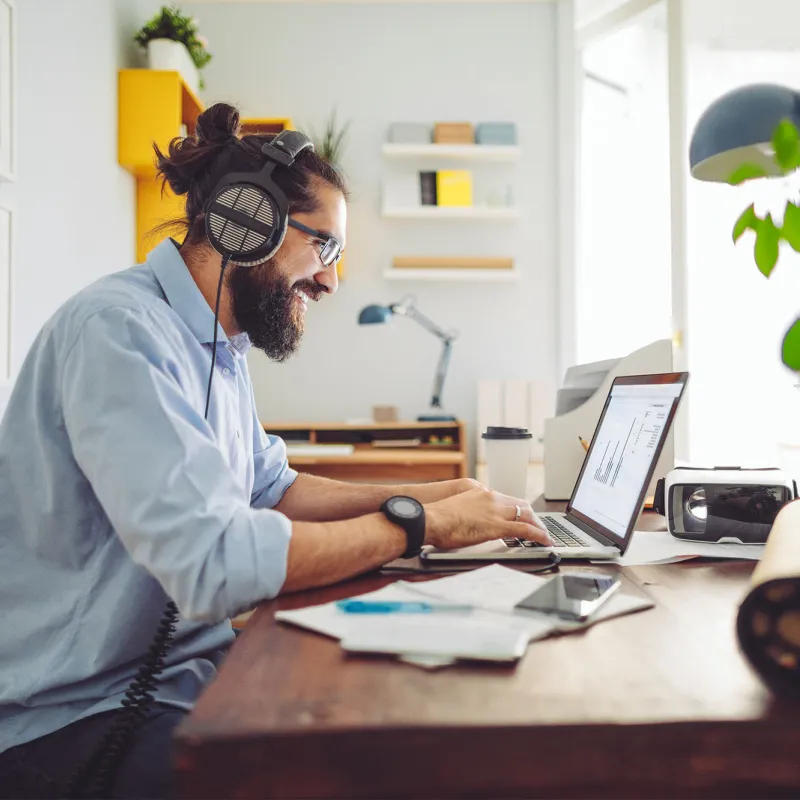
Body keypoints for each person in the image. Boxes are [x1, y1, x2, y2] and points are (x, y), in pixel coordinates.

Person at [0, 103, 550, 799]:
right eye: (326, 248)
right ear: (247, 221)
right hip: (72, 721)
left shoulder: (217, 347)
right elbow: (217, 566)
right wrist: (418, 525)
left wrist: (440, 495)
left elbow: (272, 489)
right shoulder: (120, 334)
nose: (330, 281)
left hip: (177, 682)